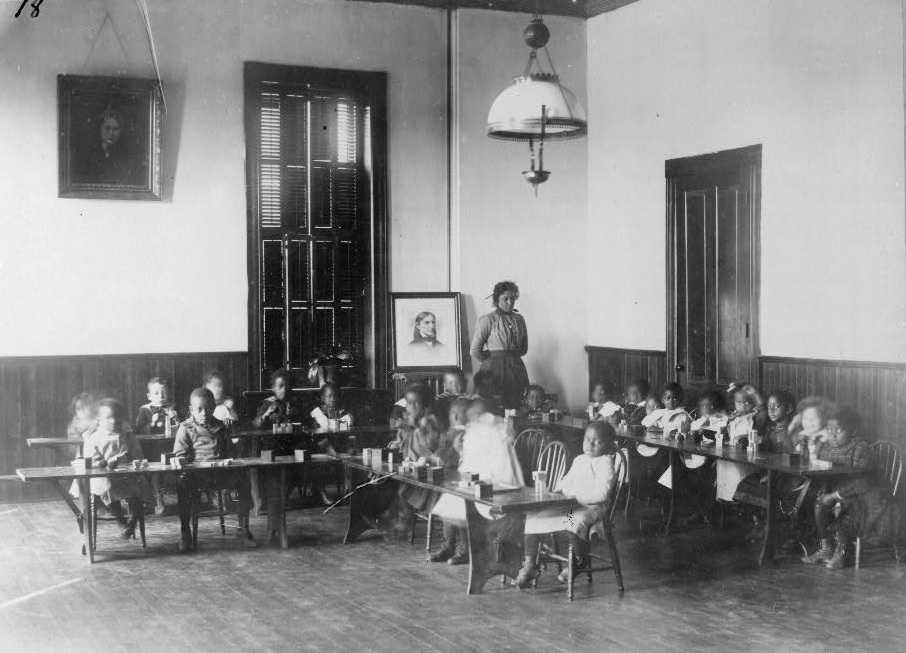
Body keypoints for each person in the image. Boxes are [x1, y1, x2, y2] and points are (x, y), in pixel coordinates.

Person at [516, 421, 620, 587]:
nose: (590, 444)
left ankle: (579, 560)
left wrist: (574, 497)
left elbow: (602, 493)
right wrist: (557, 492)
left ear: (608, 445)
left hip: (591, 507)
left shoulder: (605, 463)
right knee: (534, 515)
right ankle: (530, 563)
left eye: (597, 441)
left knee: (572, 521)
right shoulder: (579, 459)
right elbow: (566, 481)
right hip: (571, 505)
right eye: (587, 439)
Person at [430, 398, 525, 565]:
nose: (471, 419)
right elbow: (471, 461)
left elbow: (501, 466)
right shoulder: (474, 431)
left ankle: (467, 550)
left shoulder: (495, 429)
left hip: (499, 484)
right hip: (479, 480)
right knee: (451, 498)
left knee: (462, 503)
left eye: (475, 415)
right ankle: (449, 545)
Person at [173, 388, 255, 552]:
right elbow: (179, 454)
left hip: (220, 474)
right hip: (198, 476)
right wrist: (184, 461)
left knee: (243, 479)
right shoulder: (185, 428)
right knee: (182, 483)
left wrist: (233, 450)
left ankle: (244, 528)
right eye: (199, 409)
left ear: (213, 408)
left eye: (208, 408)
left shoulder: (221, 426)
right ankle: (185, 532)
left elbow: (229, 452)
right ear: (191, 410)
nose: (204, 413)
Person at [801, 407, 876, 568]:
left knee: (848, 508)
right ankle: (826, 548)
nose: (833, 435)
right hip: (838, 491)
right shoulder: (827, 446)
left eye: (839, 430)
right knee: (818, 501)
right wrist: (813, 448)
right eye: (829, 430)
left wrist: (835, 496)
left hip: (865, 495)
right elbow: (821, 468)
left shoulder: (860, 447)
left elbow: (864, 482)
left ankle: (842, 552)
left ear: (853, 430)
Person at [71, 398, 148, 539]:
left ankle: (132, 522)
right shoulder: (94, 437)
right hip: (103, 476)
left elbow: (137, 454)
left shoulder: (128, 435)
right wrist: (104, 463)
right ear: (99, 419)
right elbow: (91, 459)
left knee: (140, 488)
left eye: (117, 417)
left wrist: (134, 462)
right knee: (107, 487)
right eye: (109, 418)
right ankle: (121, 521)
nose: (114, 421)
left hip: (126, 475)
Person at [469, 280, 529, 409]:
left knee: (515, 405)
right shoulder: (487, 320)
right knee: (493, 405)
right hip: (493, 371)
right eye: (505, 298)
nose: (510, 302)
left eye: (513, 298)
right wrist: (491, 361)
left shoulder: (519, 319)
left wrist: (511, 358)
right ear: (497, 299)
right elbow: (474, 350)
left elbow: (523, 349)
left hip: (516, 368)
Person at [134, 377, 179, 516]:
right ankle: (158, 499)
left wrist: (175, 418)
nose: (161, 396)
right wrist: (151, 424)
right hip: (151, 448)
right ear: (149, 396)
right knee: (156, 471)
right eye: (156, 393)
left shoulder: (172, 408)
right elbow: (138, 430)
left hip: (170, 445)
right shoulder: (145, 410)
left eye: (164, 393)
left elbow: (180, 428)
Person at [75, 108, 142, 186]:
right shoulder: (88, 155)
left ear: (121, 131)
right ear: (100, 129)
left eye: (115, 129)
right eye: (107, 128)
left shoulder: (127, 156)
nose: (111, 133)